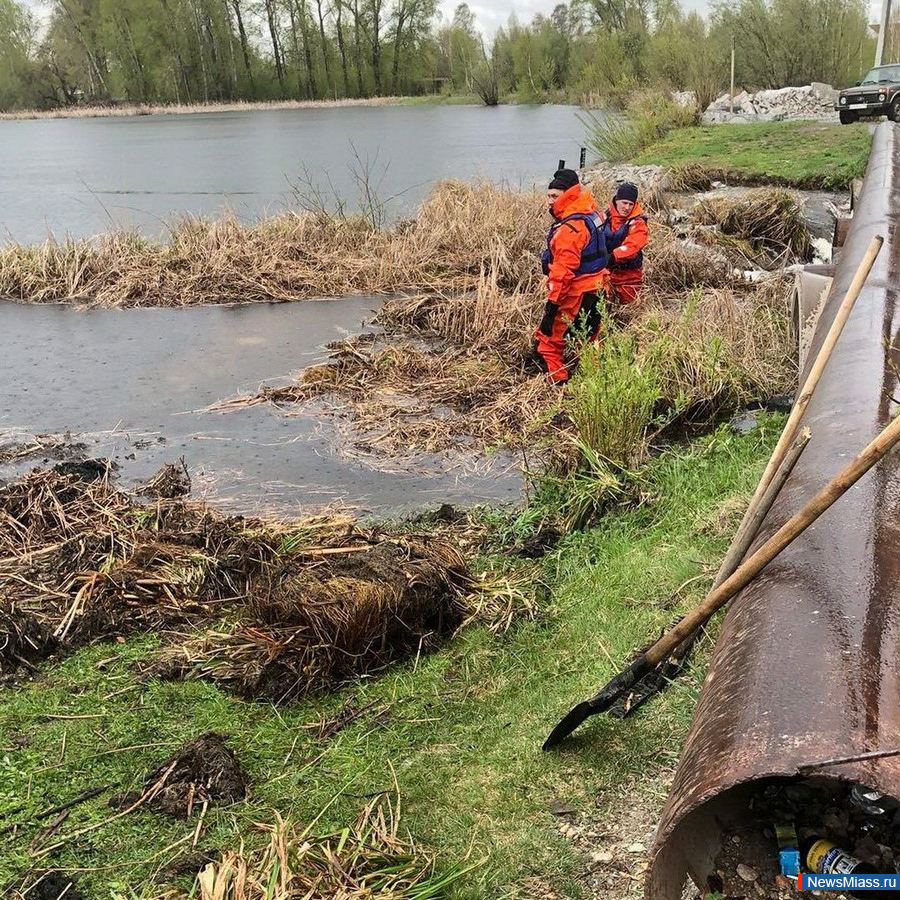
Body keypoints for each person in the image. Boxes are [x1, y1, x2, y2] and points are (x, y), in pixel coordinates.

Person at [533, 168, 609, 384]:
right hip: (599, 288)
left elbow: (563, 273)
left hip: (576, 292)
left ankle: (558, 382)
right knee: (591, 337)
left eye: (554, 196)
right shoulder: (590, 212)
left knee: (549, 340)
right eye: (548, 196)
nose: (549, 201)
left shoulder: (569, 229)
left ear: (567, 195)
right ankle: (595, 380)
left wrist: (551, 306)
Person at [602, 182, 648, 310]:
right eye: (624, 203)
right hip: (605, 273)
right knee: (601, 307)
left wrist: (612, 257)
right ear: (616, 201)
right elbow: (588, 231)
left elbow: (633, 245)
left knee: (629, 310)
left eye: (630, 204)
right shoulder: (604, 217)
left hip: (629, 276)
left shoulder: (638, 223)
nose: (627, 207)